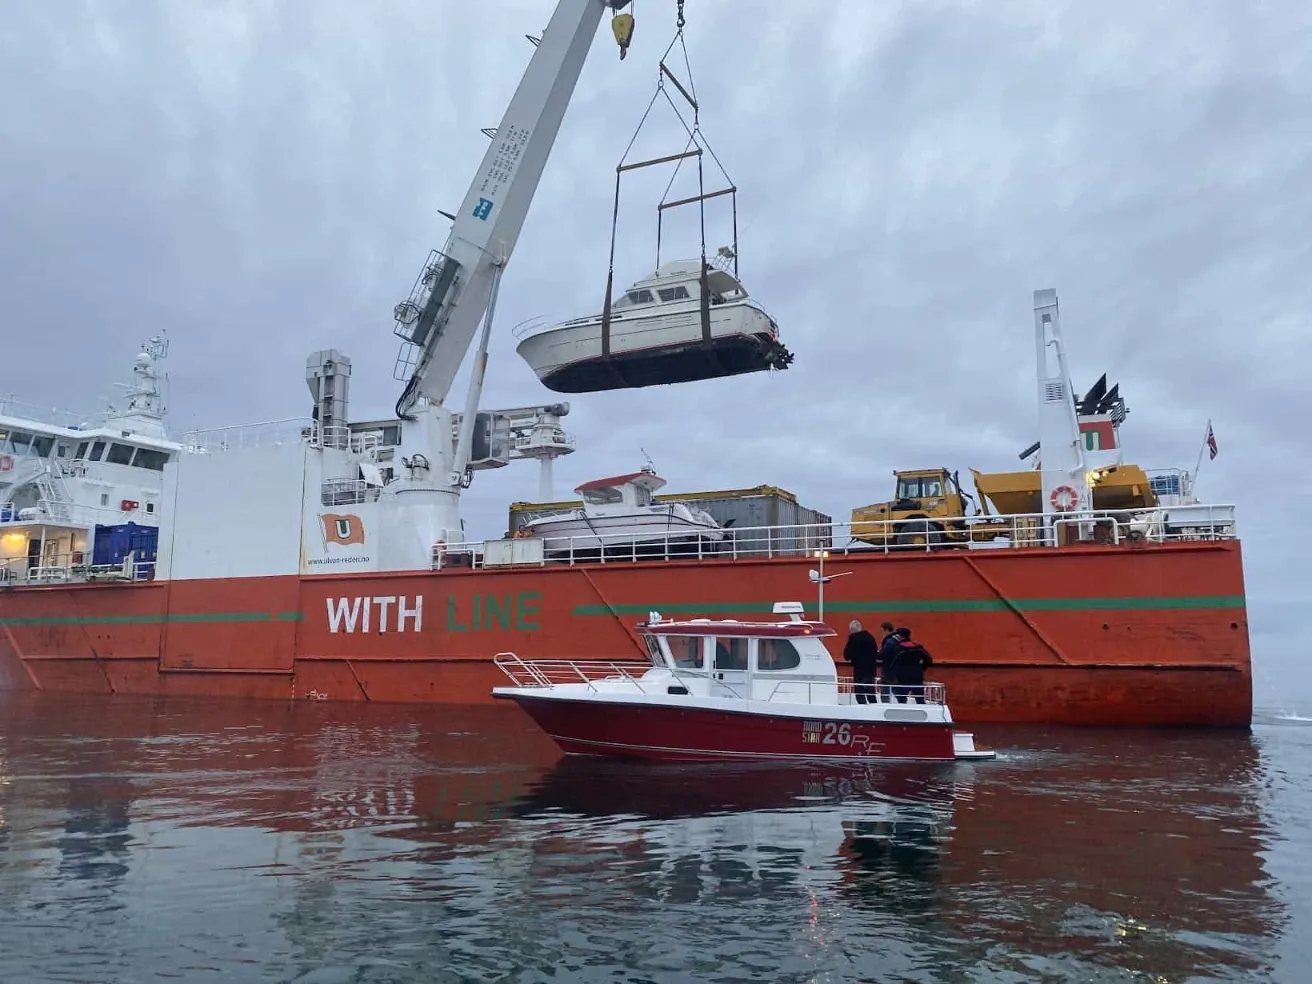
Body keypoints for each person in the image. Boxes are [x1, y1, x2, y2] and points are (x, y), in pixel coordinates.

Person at [887, 626, 933, 704]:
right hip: (917, 677)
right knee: (920, 700)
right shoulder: (918, 647)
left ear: (900, 636)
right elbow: (929, 659)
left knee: (901, 700)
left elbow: (892, 664)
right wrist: (921, 668)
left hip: (902, 678)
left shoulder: (898, 648)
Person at [843, 619, 881, 704]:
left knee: (860, 693)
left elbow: (846, 655)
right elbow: (875, 653)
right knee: (871, 694)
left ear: (852, 629)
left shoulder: (853, 638)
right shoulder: (870, 637)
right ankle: (874, 710)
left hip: (859, 670)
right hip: (871, 670)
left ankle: (863, 710)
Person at [876, 621, 903, 699]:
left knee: (885, 695)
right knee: (899, 695)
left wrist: (876, 653)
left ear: (886, 630)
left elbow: (882, 655)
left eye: (882, 631)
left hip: (888, 672)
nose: (882, 634)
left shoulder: (889, 642)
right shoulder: (897, 640)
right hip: (897, 671)